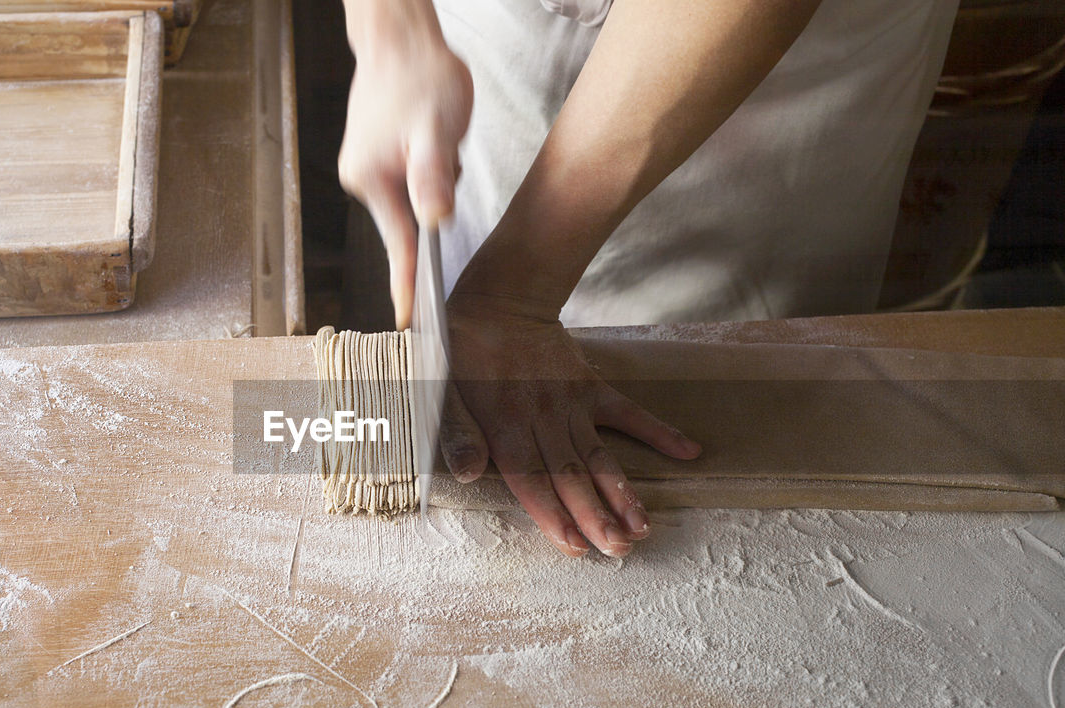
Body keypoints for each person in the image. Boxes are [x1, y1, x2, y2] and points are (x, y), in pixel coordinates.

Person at [337, 0, 960, 558]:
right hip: (497, 32)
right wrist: (391, 30)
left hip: (755, 77)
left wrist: (511, 295)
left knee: (741, 457)